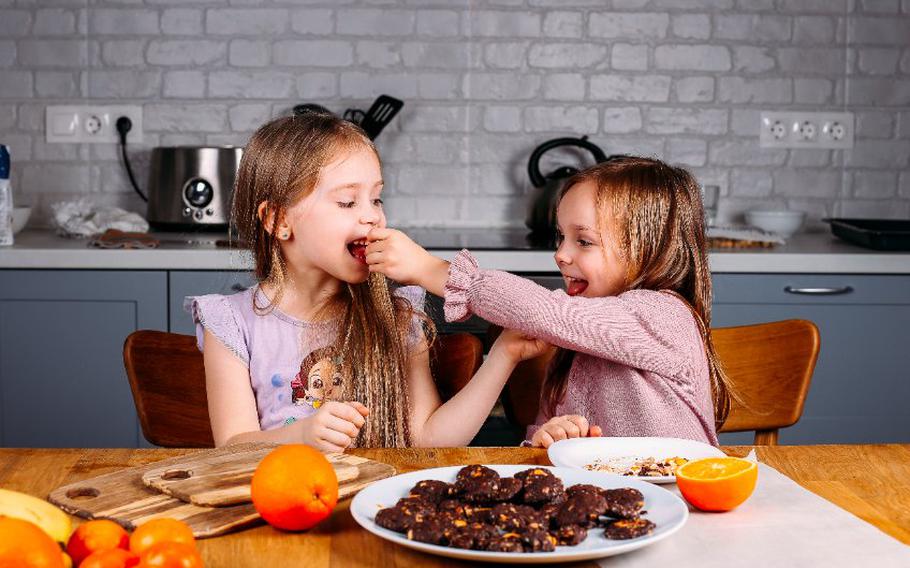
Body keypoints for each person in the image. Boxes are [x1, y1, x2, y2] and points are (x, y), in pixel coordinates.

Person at [188, 112, 535, 450]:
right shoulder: (232, 323)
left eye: (376, 198)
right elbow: (232, 447)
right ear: (278, 220)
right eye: (347, 201)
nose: (372, 215)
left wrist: (504, 355)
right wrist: (301, 437)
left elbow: (428, 439)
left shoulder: (396, 316)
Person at [366, 156, 733, 448]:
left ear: (650, 247)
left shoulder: (666, 316)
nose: (560, 255)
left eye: (583, 241)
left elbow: (551, 312)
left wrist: (431, 269)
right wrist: (546, 442)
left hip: (684, 508)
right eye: (560, 237)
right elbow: (542, 442)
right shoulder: (572, 348)